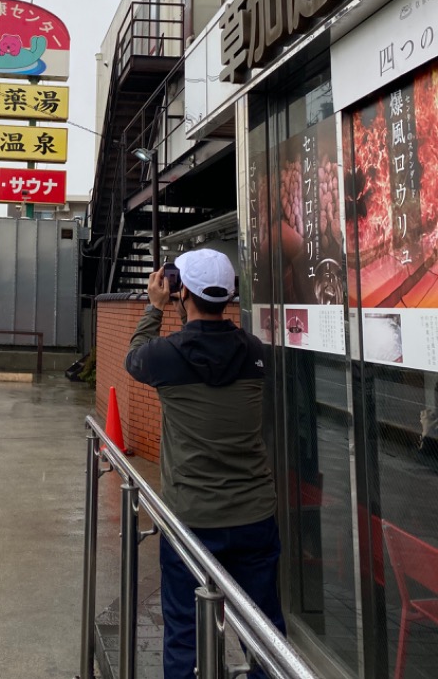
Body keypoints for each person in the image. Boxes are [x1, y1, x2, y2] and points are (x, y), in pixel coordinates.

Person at [124, 248, 285, 679]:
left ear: (183, 294)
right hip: (255, 514)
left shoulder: (165, 356)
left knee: (185, 632)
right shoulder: (254, 351)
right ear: (229, 296)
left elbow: (133, 355)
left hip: (192, 521)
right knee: (265, 629)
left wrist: (154, 307)